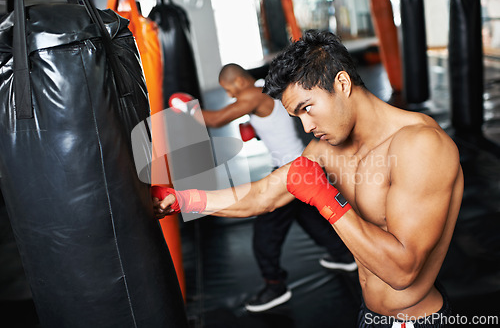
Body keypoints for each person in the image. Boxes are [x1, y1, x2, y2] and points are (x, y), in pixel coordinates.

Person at [154, 30, 463, 327]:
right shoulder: (325, 149)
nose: (306, 127)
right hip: (369, 315)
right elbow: (264, 195)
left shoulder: (420, 145)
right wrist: (183, 199)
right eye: (297, 116)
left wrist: (327, 199)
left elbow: (402, 272)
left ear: (341, 83)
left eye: (307, 108)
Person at [176, 63, 356, 312]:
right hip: (304, 165)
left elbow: (216, 120)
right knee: (307, 217)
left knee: (265, 233)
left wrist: (186, 108)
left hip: (290, 172)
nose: (230, 96)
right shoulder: (265, 89)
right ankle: (344, 255)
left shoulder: (251, 95)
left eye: (229, 90)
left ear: (239, 82)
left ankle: (275, 286)